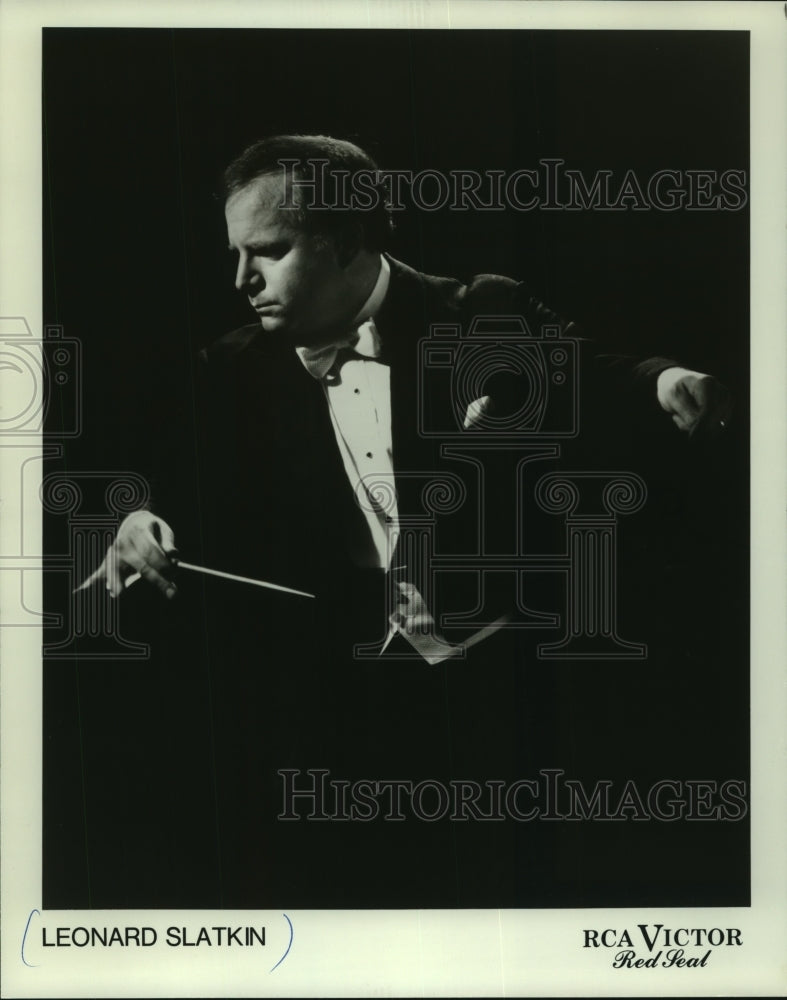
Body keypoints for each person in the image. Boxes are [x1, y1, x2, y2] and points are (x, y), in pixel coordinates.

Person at [79, 135, 732, 906]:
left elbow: (599, 373)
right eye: (235, 254)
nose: (240, 279)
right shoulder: (232, 365)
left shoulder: (484, 310)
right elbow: (175, 482)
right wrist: (139, 516)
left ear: (349, 240)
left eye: (269, 251)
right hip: (351, 701)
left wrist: (667, 383)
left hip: (514, 685)